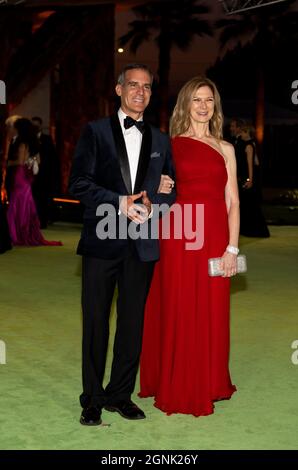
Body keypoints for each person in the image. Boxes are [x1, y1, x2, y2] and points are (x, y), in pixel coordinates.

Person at [69, 63, 175, 426]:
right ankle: (92, 399)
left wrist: (153, 205)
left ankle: (120, 395)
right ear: (119, 90)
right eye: (133, 85)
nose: (139, 92)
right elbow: (78, 184)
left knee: (132, 323)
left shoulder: (161, 140)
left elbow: (169, 190)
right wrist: (119, 202)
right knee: (96, 323)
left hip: (142, 245)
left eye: (146, 87)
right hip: (101, 242)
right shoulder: (95, 132)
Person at [139, 76, 239, 417]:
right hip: (179, 234)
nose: (203, 106)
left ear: (215, 106)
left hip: (213, 236)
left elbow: (233, 203)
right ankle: (175, 380)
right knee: (180, 305)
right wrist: (160, 184)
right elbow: (155, 192)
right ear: (186, 105)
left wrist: (232, 249)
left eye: (208, 100)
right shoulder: (169, 145)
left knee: (211, 307)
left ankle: (210, 381)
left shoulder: (226, 149)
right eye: (196, 99)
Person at [6, 118, 62, 246]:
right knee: (25, 203)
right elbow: (38, 161)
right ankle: (24, 233)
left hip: (19, 174)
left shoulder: (22, 143)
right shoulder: (33, 142)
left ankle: (15, 233)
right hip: (27, 175)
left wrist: (8, 163)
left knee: (16, 203)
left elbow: (20, 162)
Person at [239, 123, 270, 237]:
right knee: (250, 204)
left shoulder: (248, 146)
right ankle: (249, 228)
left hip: (248, 178)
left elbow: (250, 164)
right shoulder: (251, 144)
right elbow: (256, 162)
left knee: (250, 205)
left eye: (242, 132)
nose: (240, 133)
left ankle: (253, 229)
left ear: (247, 133)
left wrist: (250, 179)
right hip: (251, 178)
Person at [31, 117, 59, 228]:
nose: (35, 128)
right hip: (31, 175)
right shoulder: (29, 139)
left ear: (40, 126)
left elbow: (52, 158)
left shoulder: (47, 139)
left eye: (37, 126)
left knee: (43, 199)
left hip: (44, 175)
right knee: (32, 198)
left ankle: (42, 221)